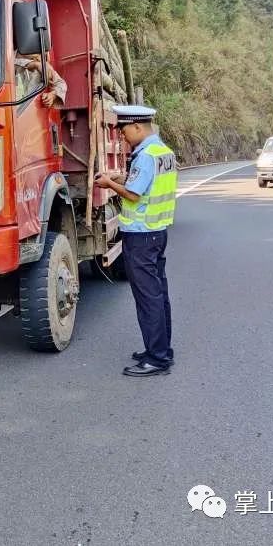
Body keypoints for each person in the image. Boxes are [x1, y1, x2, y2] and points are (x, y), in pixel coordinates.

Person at [94, 105, 178, 378]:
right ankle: (162, 350)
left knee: (148, 297)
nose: (122, 136)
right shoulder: (162, 152)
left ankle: (157, 358)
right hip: (157, 232)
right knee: (159, 293)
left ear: (138, 127)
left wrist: (109, 184)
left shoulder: (144, 157)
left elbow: (132, 194)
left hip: (141, 235)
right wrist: (119, 178)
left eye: (125, 130)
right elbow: (144, 183)